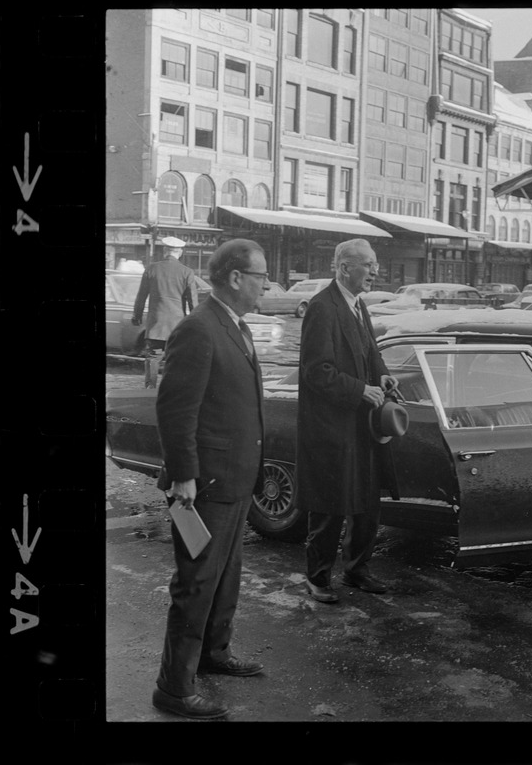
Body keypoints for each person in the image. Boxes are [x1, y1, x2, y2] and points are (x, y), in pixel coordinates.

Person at [151, 239, 269, 720]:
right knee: (197, 583)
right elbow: (176, 411)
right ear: (236, 278)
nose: (267, 284)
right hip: (206, 485)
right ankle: (173, 688)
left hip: (235, 478)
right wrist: (183, 477)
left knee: (225, 577)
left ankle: (213, 653)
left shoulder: (234, 325)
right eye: (261, 276)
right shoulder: (198, 328)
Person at [295, 238, 399, 604]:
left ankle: (357, 569)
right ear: (344, 268)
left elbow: (370, 351)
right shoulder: (322, 308)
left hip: (359, 425)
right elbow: (315, 371)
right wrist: (360, 391)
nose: (375, 271)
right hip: (332, 427)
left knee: (366, 500)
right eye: (368, 265)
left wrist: (382, 375)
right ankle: (318, 577)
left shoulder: (357, 305)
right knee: (331, 503)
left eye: (374, 265)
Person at [132, 236, 198, 388]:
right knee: (176, 358)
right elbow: (193, 303)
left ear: (165, 251)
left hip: (156, 325)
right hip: (177, 327)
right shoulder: (187, 272)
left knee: (153, 358)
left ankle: (150, 390)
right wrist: (194, 324)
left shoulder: (151, 269)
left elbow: (141, 297)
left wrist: (136, 316)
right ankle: (173, 391)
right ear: (180, 252)